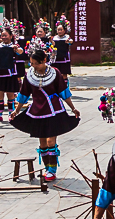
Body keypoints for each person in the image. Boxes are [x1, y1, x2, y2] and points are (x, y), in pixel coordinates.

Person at [12, 42, 81, 181]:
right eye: (31, 63)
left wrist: (73, 108)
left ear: (44, 60)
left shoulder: (55, 73)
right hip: (37, 111)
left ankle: (52, 170)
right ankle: (47, 168)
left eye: (36, 63)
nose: (33, 66)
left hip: (54, 110)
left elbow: (63, 92)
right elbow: (23, 95)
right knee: (42, 143)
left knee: (51, 141)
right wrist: (16, 111)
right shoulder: (29, 75)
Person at [0, 22, 24, 122]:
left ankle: (11, 113)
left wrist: (16, 49)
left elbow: (21, 52)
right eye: (2, 36)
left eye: (5, 35)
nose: (4, 37)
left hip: (10, 74)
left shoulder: (14, 46)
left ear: (11, 36)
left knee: (10, 94)